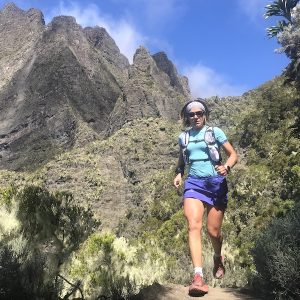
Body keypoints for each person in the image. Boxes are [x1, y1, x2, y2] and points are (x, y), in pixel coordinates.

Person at [173, 98, 238, 296]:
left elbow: (233, 155)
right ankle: (198, 277)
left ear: (204, 115)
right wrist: (178, 173)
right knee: (193, 224)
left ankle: (218, 256)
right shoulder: (183, 137)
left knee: (213, 232)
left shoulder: (215, 132)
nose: (195, 117)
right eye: (191, 114)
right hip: (193, 183)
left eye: (198, 113)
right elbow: (182, 160)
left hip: (215, 183)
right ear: (187, 118)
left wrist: (226, 167)